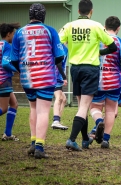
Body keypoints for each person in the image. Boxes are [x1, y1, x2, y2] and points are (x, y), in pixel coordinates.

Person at [59, 0, 121, 151]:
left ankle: (85, 139)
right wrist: (99, 52)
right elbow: (112, 46)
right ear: (91, 11)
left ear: (78, 11)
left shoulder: (69, 26)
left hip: (74, 68)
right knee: (84, 106)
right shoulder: (97, 26)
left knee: (82, 105)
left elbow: (58, 45)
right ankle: (71, 139)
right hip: (91, 69)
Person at [10, 3, 66, 159]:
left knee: (33, 109)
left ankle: (33, 143)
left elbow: (14, 60)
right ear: (43, 16)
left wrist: (23, 71)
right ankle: (40, 147)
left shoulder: (19, 33)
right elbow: (59, 56)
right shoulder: (50, 31)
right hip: (46, 77)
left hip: (27, 78)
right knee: (43, 111)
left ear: (30, 16)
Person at [88, 16, 121, 148]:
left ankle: (99, 121)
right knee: (111, 111)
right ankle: (105, 139)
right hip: (114, 82)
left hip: (97, 80)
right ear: (118, 29)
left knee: (95, 107)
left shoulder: (96, 40)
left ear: (104, 27)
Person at [0, 22, 20, 141]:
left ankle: (7, 134)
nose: (14, 36)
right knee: (4, 108)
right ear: (8, 34)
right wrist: (16, 70)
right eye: (13, 34)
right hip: (4, 80)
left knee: (14, 104)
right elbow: (6, 63)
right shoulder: (7, 46)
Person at [51, 44, 68, 130]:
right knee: (59, 98)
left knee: (64, 99)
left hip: (58, 77)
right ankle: (56, 120)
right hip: (55, 77)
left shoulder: (65, 48)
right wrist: (64, 77)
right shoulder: (60, 47)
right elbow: (58, 63)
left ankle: (57, 121)